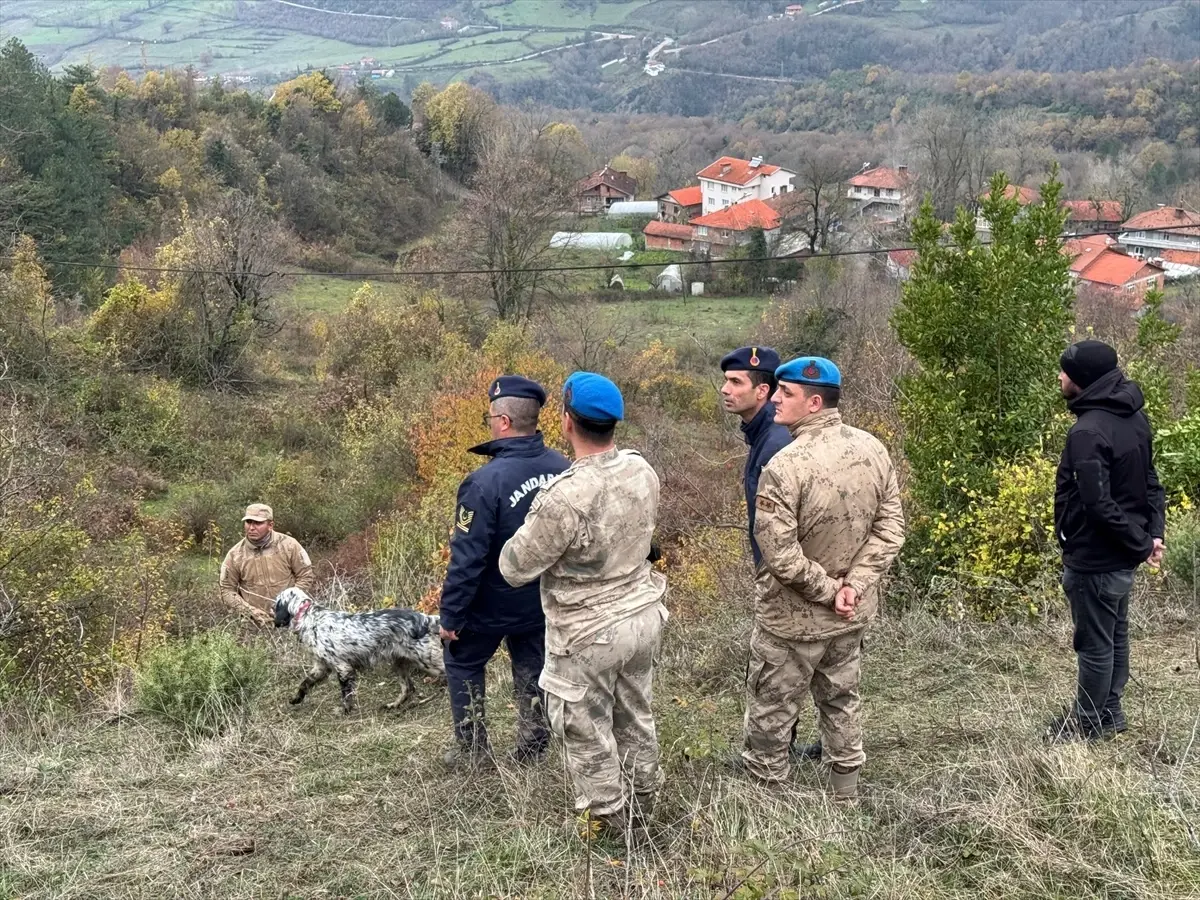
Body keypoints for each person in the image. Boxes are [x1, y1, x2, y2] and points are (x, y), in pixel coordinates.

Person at [499, 372, 668, 837]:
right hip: (642, 616)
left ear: (567, 421)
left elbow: (515, 566)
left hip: (588, 634)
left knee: (585, 729)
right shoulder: (641, 469)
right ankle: (645, 807)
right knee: (635, 715)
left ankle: (610, 828)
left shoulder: (564, 496)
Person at [740, 357, 904, 800]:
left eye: (786, 393)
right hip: (851, 614)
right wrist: (854, 587)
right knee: (841, 700)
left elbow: (780, 556)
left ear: (814, 403)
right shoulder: (873, 449)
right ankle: (845, 794)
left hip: (791, 621)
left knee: (772, 710)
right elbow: (890, 529)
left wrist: (834, 591)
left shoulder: (784, 466)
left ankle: (767, 801)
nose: (774, 399)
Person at [439, 376, 570, 768]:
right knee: (533, 669)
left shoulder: (483, 482)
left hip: (489, 606)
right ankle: (533, 747)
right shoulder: (563, 468)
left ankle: (473, 751)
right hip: (541, 601)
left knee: (462, 663)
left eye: (490, 418)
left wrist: (451, 615)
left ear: (504, 422)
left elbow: (468, 558)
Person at [1051, 340, 1165, 741]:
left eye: (1065, 371)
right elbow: (1151, 483)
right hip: (1120, 556)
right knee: (1115, 635)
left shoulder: (1087, 431)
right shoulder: (1133, 416)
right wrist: (1151, 536)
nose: (1060, 377)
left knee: (1095, 645)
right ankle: (1110, 714)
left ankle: (1084, 726)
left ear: (1082, 379)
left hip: (1095, 558)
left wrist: (1143, 543)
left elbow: (1097, 504)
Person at [720, 345, 821, 762]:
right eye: (726, 381)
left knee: (777, 669)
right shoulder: (764, 435)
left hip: (787, 576)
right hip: (788, 571)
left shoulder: (776, 441)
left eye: (735, 382)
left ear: (762, 391)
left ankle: (773, 756)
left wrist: (774, 573)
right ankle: (788, 747)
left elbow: (789, 525)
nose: (725, 389)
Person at [219, 503, 315, 627]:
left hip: (290, 619)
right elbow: (227, 590)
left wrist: (288, 604)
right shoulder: (235, 554)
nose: (251, 528)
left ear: (270, 525)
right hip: (254, 623)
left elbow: (306, 576)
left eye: (258, 523)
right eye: (248, 522)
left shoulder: (289, 545)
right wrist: (249, 611)